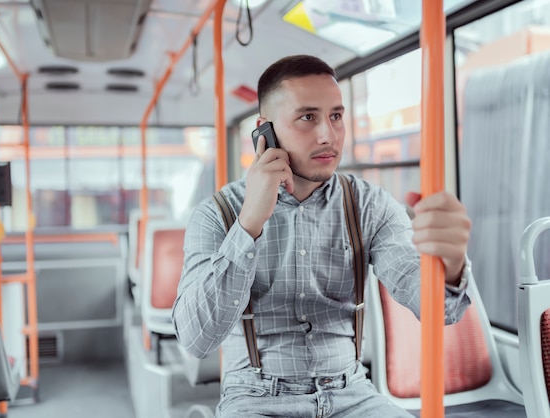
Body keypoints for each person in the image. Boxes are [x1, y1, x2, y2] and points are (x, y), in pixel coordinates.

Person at [172, 55, 472, 418]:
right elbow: (196, 340)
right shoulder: (217, 213)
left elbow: (440, 311)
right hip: (255, 398)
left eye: (336, 116)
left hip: (353, 394)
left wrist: (452, 265)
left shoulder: (369, 205)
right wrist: (249, 224)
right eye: (307, 117)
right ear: (265, 131)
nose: (327, 134)